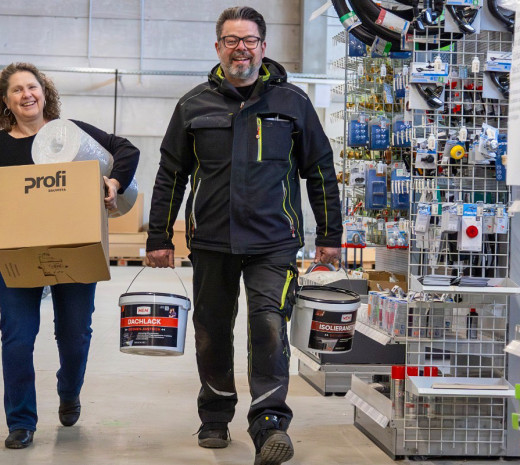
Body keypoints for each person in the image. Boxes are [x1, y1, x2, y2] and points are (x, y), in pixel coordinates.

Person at [145, 7, 342, 465]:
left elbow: (320, 169)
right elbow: (170, 175)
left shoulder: (293, 103)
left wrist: (330, 234)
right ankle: (215, 414)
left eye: (249, 40)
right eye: (231, 40)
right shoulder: (192, 105)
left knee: (268, 325)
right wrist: (159, 236)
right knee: (212, 331)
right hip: (211, 241)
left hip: (273, 242)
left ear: (263, 48)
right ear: (218, 48)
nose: (241, 48)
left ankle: (269, 422)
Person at [0, 62, 140, 449]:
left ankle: (69, 391)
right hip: (19, 253)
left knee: (75, 335)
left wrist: (113, 181)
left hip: (75, 248)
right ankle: (20, 422)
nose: (26, 95)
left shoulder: (69, 133)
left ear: (45, 93)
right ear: (5, 101)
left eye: (32, 87)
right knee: (17, 338)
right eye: (17, 90)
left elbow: (126, 149)